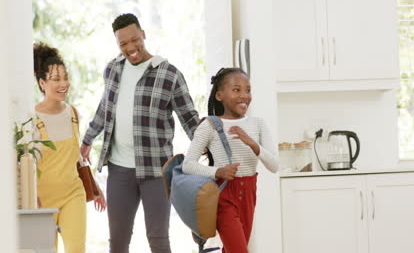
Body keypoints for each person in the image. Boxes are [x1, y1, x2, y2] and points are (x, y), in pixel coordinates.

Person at [80, 13, 200, 253]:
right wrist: (87, 139)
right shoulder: (113, 69)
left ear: (143, 34)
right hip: (119, 169)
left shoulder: (169, 74)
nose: (130, 48)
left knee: (158, 239)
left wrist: (209, 145)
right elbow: (106, 108)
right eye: (123, 43)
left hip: (156, 170)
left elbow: (189, 118)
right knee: (118, 241)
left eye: (134, 40)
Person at [182, 67, 279, 253]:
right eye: (236, 90)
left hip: (249, 193)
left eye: (248, 90)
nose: (244, 95)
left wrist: (252, 144)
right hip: (224, 195)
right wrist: (218, 172)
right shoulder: (209, 125)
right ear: (219, 95)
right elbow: (188, 165)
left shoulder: (258, 124)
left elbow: (274, 165)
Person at [32, 42, 106, 253]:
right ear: (42, 82)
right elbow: (28, 165)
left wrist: (94, 186)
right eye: (56, 79)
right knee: (47, 250)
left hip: (73, 193)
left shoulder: (72, 113)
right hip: (43, 199)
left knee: (76, 249)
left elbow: (77, 158)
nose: (63, 84)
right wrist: (31, 199)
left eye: (65, 78)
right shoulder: (32, 119)